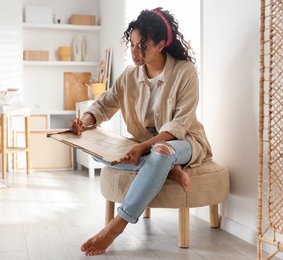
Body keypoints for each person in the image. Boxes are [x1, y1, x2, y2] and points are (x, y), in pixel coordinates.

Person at [69, 7, 212, 256]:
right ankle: (167, 169)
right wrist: (86, 120)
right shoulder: (129, 75)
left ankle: (115, 226)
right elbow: (105, 103)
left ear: (160, 44)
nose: (134, 52)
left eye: (141, 45)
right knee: (95, 150)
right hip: (149, 147)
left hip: (185, 141)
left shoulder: (185, 72)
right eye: (132, 44)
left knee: (162, 151)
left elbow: (179, 125)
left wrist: (143, 148)